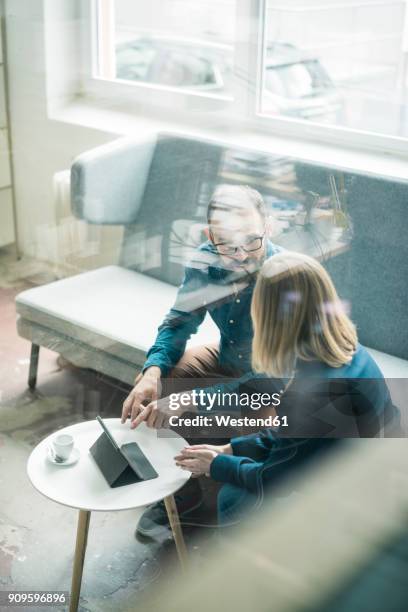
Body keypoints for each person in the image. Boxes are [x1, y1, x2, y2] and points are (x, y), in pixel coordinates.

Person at [175, 251, 401, 526]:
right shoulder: (344, 348)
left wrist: (215, 465)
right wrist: (231, 450)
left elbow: (272, 478)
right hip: (370, 461)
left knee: (233, 499)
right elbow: (291, 435)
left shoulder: (312, 390)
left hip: (350, 487)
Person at [121, 184, 282, 537]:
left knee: (255, 429)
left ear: (267, 227)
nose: (241, 255)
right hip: (226, 357)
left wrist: (189, 400)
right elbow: (179, 322)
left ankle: (251, 509)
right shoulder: (203, 260)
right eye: (227, 244)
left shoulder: (285, 277)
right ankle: (184, 490)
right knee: (166, 378)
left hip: (275, 381)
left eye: (252, 240)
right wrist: (152, 372)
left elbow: (267, 382)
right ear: (210, 236)